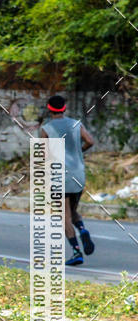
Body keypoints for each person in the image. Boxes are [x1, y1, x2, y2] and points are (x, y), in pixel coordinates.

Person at [40, 94, 95, 266]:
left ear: (49, 109)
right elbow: (90, 141)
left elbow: (42, 155)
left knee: (64, 215)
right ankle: (82, 230)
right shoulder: (76, 124)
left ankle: (77, 252)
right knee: (72, 210)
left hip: (59, 175)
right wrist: (80, 150)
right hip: (78, 174)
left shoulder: (46, 128)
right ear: (64, 108)